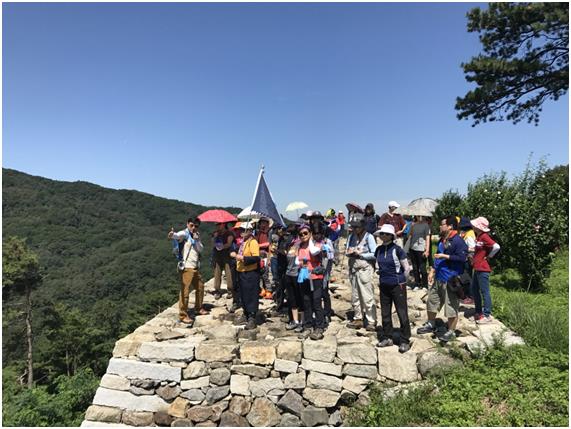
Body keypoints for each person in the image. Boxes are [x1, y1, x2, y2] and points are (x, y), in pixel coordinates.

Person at [417, 215, 468, 342]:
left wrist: (446, 256)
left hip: (451, 279)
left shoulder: (458, 241)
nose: (440, 226)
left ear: (450, 226)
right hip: (438, 277)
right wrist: (432, 270)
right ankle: (431, 324)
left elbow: (462, 258)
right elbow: (437, 257)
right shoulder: (442, 239)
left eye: (442, 224)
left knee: (451, 306)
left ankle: (451, 331)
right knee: (432, 301)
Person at [374, 224, 412, 353]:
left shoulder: (397, 249)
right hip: (384, 284)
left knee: (402, 312)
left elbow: (406, 268)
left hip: (397, 285)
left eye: (385, 234)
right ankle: (387, 337)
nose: (382, 236)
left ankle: (405, 339)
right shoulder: (378, 250)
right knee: (385, 312)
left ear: (391, 235)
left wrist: (401, 280)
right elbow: (378, 266)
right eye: (381, 234)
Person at [168, 218, 206, 324]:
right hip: (186, 267)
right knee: (185, 291)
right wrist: (172, 234)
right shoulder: (184, 234)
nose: (193, 228)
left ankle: (198, 308)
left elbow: (200, 249)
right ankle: (183, 315)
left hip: (195, 266)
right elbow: (177, 236)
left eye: (196, 226)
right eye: (191, 225)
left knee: (200, 287)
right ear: (187, 224)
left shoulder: (196, 236)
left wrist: (197, 240)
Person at [345, 213, 378, 331]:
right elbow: (346, 250)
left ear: (363, 226)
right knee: (355, 295)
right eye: (353, 227)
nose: (354, 229)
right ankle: (358, 317)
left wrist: (361, 254)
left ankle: (371, 320)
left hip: (364, 269)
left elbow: (375, 253)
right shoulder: (351, 237)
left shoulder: (369, 237)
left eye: (357, 227)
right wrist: (350, 252)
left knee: (367, 295)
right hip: (353, 268)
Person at [296, 224, 326, 340]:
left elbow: (317, 253)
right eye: (301, 234)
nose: (303, 236)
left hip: (315, 277)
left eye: (305, 233)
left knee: (316, 302)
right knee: (306, 302)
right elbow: (297, 260)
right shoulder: (300, 247)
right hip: (304, 277)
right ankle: (308, 326)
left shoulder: (316, 245)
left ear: (310, 234)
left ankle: (319, 327)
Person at [470, 217, 500, 324]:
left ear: (478, 227)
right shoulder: (479, 236)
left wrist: (489, 256)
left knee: (484, 291)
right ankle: (479, 312)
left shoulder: (484, 236)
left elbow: (496, 246)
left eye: (474, 225)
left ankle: (487, 314)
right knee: (475, 290)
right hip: (477, 267)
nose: (472, 226)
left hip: (483, 268)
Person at [231, 223, 261, 330]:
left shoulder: (253, 242)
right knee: (243, 294)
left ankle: (252, 317)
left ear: (249, 231)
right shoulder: (244, 242)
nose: (241, 232)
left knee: (251, 295)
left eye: (244, 230)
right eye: (241, 230)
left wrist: (241, 258)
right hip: (242, 272)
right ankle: (246, 313)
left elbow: (256, 258)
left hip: (250, 273)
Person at [283, 223, 304, 332]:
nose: (288, 236)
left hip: (298, 275)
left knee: (300, 298)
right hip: (288, 274)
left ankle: (302, 321)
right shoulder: (288, 245)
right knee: (292, 299)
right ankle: (294, 321)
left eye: (290, 234)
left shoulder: (300, 244)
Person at [212, 222, 235, 301]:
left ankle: (230, 290)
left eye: (219, 224)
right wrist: (215, 238)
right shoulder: (216, 233)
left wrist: (222, 246)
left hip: (227, 255)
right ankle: (217, 290)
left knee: (228, 273)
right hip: (217, 255)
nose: (217, 226)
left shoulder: (229, 233)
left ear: (224, 224)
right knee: (217, 273)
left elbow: (229, 244)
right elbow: (212, 243)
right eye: (217, 224)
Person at [408, 216, 431, 290]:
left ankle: (425, 284)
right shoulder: (413, 224)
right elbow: (410, 235)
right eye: (418, 216)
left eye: (421, 216)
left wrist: (427, 250)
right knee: (415, 267)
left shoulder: (426, 225)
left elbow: (428, 238)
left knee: (422, 267)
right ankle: (417, 283)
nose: (420, 217)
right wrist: (411, 227)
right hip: (412, 248)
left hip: (421, 248)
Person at [458, 217, 476, 304]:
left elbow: (472, 247)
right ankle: (468, 295)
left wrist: (463, 249)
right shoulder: (468, 233)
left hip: (467, 259)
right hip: (466, 258)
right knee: (467, 277)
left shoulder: (469, 235)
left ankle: (471, 296)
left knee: (467, 278)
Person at [256, 218, 273, 299]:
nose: (263, 224)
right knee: (259, 273)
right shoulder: (258, 232)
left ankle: (268, 290)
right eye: (262, 222)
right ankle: (262, 289)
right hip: (258, 254)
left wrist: (269, 258)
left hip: (266, 254)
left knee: (266, 274)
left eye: (265, 223)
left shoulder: (269, 232)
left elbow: (269, 244)